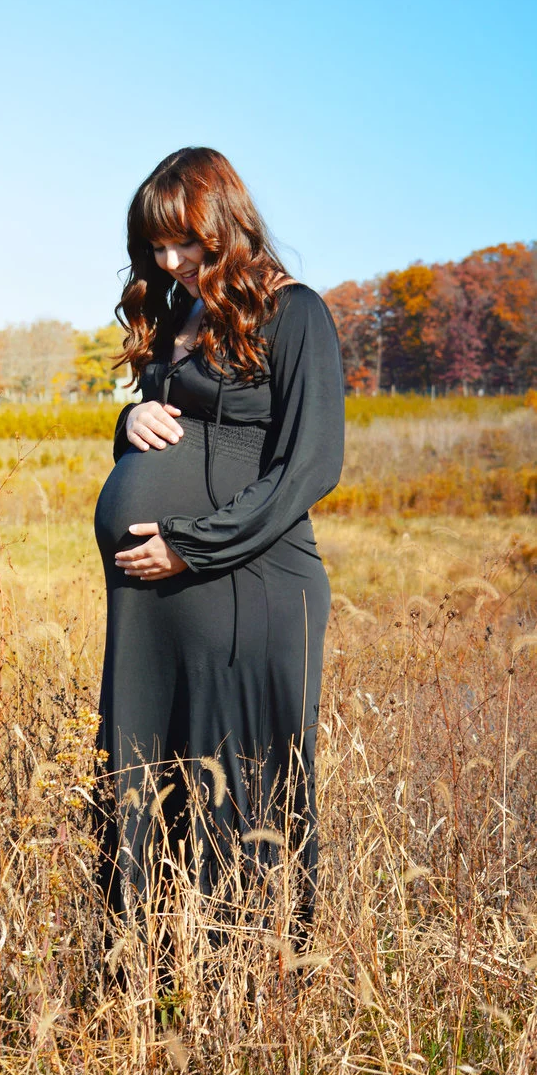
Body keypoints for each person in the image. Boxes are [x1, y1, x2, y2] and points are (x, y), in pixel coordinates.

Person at [94, 147, 344, 938]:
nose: (172, 262)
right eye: (157, 247)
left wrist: (191, 546)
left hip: (249, 586)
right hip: (155, 606)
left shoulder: (295, 312)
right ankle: (151, 969)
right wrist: (126, 421)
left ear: (224, 224)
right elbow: (166, 428)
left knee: (248, 796)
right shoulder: (177, 316)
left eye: (186, 245)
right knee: (151, 785)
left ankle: (257, 985)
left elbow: (310, 466)